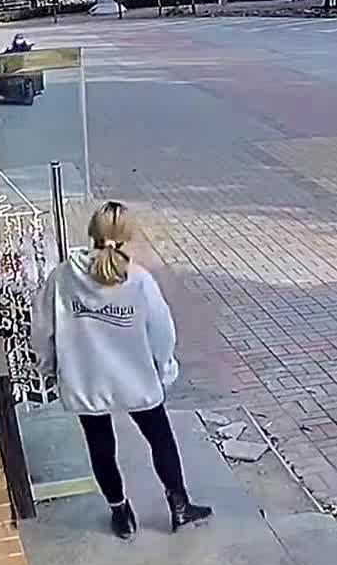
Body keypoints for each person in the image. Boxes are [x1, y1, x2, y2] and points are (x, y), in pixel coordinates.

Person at [32, 201, 212, 541]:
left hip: (86, 379)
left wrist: (49, 368)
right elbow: (162, 332)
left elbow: (42, 331)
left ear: (91, 234)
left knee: (100, 447)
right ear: (127, 237)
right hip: (137, 378)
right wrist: (164, 369)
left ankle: (121, 514)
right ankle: (179, 506)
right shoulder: (139, 280)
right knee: (160, 438)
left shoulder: (61, 278)